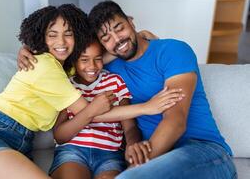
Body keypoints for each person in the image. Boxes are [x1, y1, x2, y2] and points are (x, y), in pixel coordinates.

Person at [0, 4, 181, 179]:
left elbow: (99, 58)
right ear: (41, 37)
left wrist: (138, 37)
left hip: (18, 145)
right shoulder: (45, 66)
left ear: (78, 36)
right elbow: (93, 113)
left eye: (68, 33)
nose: (61, 41)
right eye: (52, 34)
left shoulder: (65, 68)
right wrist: (148, 107)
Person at [18, 1, 237, 178]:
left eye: (119, 28)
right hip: (157, 155)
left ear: (130, 22)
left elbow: (175, 122)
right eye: (106, 38)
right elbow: (73, 57)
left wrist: (137, 166)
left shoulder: (173, 50)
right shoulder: (108, 68)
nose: (117, 40)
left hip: (201, 150)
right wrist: (28, 48)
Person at [49, 38, 184, 179]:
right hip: (72, 151)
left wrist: (132, 144)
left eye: (98, 59)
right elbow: (60, 136)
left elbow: (130, 127)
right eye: (84, 60)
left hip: (109, 155)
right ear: (73, 61)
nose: (92, 66)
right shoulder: (67, 86)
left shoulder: (115, 82)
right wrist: (92, 110)